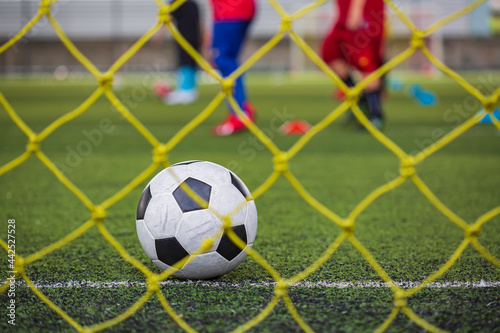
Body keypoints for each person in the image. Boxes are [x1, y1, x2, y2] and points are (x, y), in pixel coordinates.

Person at [321, 0, 386, 129]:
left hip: (364, 18)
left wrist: (357, 8)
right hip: (343, 19)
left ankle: (375, 115)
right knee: (330, 53)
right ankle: (359, 100)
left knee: (366, 65)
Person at [209, 0, 257, 136]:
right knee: (229, 59)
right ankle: (241, 108)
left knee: (223, 59)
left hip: (229, 9)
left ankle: (240, 113)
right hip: (243, 7)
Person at [153, 0, 201, 105]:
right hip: (186, 37)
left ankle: (186, 90)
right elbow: (167, 20)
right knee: (188, 61)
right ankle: (188, 89)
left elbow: (167, 21)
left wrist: (159, 36)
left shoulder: (186, 4)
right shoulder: (179, 4)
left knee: (187, 61)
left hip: (187, 38)